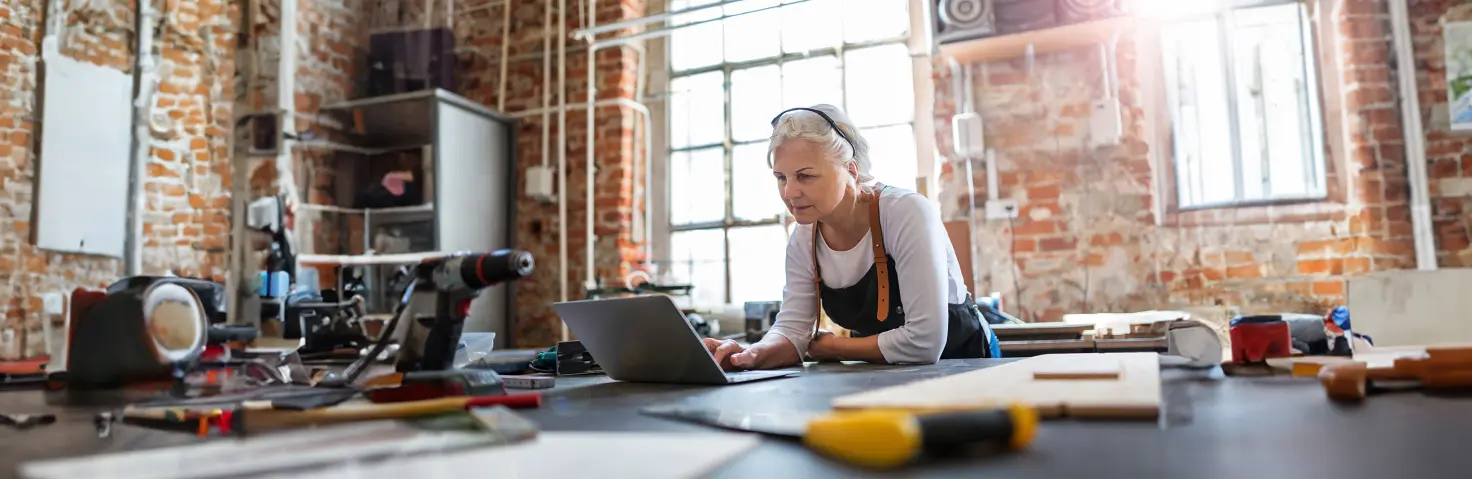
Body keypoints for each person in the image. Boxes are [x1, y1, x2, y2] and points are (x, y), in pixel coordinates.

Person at [702, 104, 1001, 370]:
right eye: (782, 178)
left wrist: (835, 348)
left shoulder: (905, 212)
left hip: (966, 366)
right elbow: (793, 331)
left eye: (805, 176)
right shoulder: (804, 238)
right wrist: (751, 355)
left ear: (851, 171)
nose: (789, 192)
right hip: (882, 375)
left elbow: (925, 342)